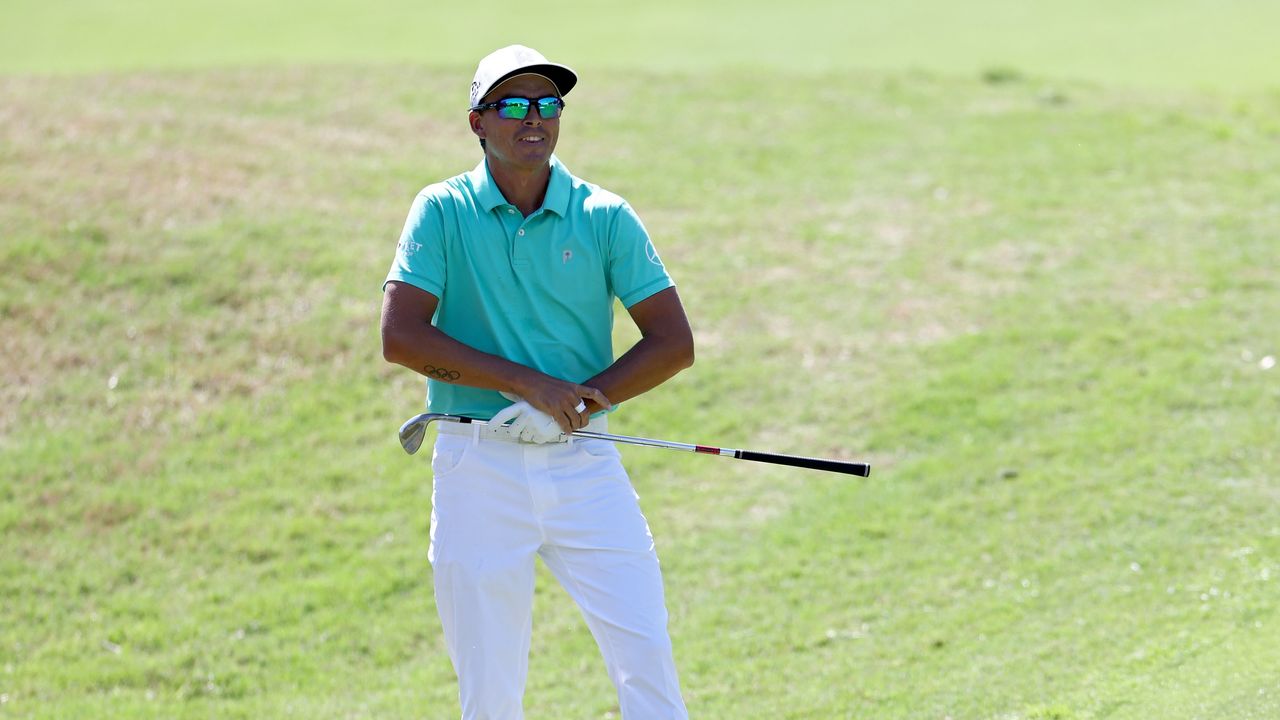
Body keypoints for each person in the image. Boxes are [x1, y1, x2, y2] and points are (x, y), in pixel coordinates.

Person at [380, 44, 694, 719]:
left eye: (548, 104)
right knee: (489, 693)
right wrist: (530, 386)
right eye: (513, 104)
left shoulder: (604, 215)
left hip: (584, 461)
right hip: (476, 467)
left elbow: (674, 342)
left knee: (647, 660)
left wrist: (581, 400)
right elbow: (400, 337)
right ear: (477, 122)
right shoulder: (442, 211)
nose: (535, 118)